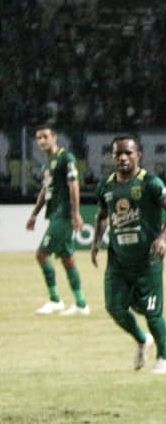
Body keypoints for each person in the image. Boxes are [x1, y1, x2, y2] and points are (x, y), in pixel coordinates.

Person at [91, 136, 166, 374]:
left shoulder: (150, 182)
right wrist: (96, 242)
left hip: (147, 260)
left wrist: (162, 238)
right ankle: (142, 339)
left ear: (138, 155)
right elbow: (102, 215)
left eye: (128, 153)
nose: (122, 157)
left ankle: (164, 357)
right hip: (118, 260)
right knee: (114, 307)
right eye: (118, 153)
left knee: (152, 311)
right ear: (112, 156)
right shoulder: (106, 186)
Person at [26, 125, 88, 316]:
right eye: (38, 138)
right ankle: (80, 304)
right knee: (68, 260)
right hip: (53, 213)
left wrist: (75, 213)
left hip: (63, 215)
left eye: (45, 136)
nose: (42, 141)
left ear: (54, 137)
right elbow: (45, 191)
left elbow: (74, 185)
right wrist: (35, 213)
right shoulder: (47, 164)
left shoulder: (65, 158)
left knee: (41, 255)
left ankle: (55, 300)